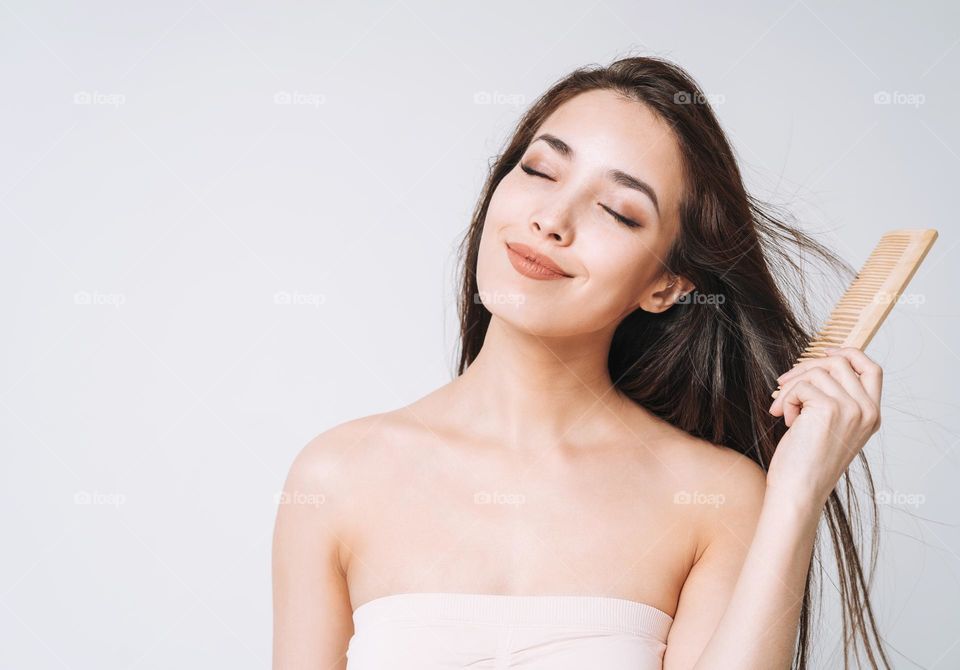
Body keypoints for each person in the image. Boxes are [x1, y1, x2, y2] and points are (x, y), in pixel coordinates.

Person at [272, 55, 891, 669]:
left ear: (667, 284)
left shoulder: (715, 498)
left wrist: (797, 494)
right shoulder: (337, 475)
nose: (551, 221)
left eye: (618, 211)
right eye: (540, 170)